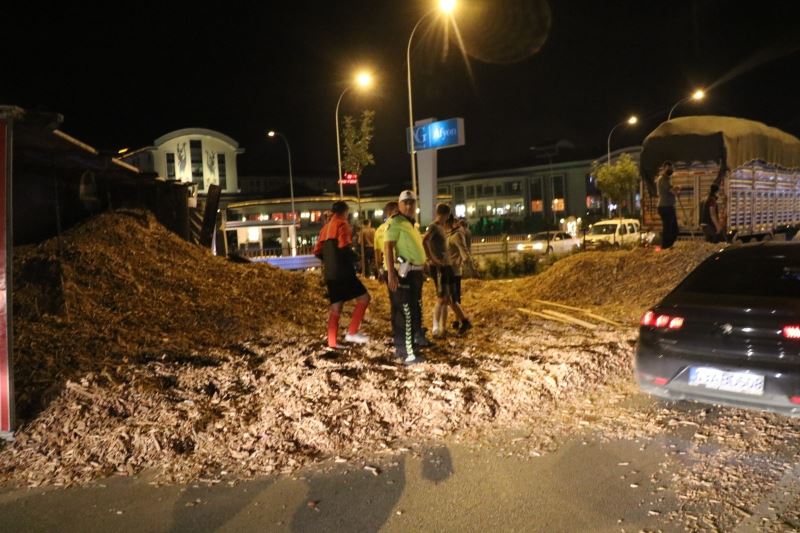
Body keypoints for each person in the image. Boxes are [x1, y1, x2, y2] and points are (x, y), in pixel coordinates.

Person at [313, 201, 370, 349]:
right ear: (345, 212)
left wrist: (329, 261)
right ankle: (352, 332)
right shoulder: (342, 224)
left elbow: (317, 251)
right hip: (344, 272)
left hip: (330, 274)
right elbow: (344, 246)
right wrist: (356, 258)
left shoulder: (324, 228)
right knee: (364, 298)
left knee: (336, 307)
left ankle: (332, 342)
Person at [385, 190, 429, 365]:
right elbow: (388, 248)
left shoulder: (410, 224)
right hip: (405, 274)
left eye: (412, 202)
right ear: (399, 204)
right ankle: (406, 354)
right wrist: (391, 274)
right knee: (406, 314)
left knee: (412, 312)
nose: (409, 206)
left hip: (415, 273)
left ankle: (407, 349)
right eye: (406, 203)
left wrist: (423, 263)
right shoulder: (395, 222)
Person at [446, 214, 474, 333]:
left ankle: (462, 321)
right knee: (452, 298)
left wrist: (472, 268)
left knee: (453, 298)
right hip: (451, 269)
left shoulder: (457, 234)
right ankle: (458, 321)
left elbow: (464, 252)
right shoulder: (451, 234)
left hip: (454, 271)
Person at [656, 161, 680, 248]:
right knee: (668, 229)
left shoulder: (667, 180)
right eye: (668, 168)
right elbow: (671, 191)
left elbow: (672, 189)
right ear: (664, 169)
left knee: (674, 229)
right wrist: (676, 190)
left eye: (671, 168)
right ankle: (665, 246)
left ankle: (670, 245)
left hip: (669, 206)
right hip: (665, 207)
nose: (671, 170)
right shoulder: (662, 179)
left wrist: (675, 189)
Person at [374, 201, 399, 281]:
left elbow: (377, 254)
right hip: (403, 268)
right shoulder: (402, 227)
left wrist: (380, 271)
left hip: (387, 269)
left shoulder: (378, 230)